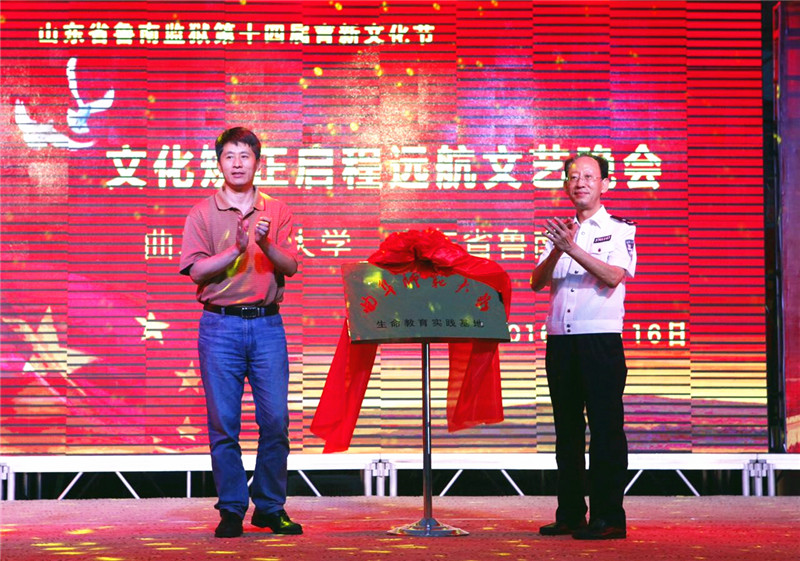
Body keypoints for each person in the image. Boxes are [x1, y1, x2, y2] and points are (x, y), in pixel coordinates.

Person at [179, 126, 302, 538]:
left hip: (267, 325)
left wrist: (264, 245)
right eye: (229, 156)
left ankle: (270, 507)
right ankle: (231, 508)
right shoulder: (201, 213)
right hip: (220, 326)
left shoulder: (277, 210)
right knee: (223, 424)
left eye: (244, 156)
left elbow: (291, 266)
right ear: (219, 163)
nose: (237, 163)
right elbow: (196, 270)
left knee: (276, 421)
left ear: (257, 162)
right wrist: (235, 249)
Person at [530, 153, 636, 540]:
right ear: (565, 185)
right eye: (573, 177)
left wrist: (572, 248)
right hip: (561, 340)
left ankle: (609, 517)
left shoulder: (619, 229)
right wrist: (560, 247)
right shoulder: (560, 232)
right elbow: (536, 282)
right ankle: (571, 513)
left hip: (600, 341)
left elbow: (613, 276)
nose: (580, 183)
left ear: (605, 184)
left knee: (606, 430)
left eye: (589, 176)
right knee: (567, 431)